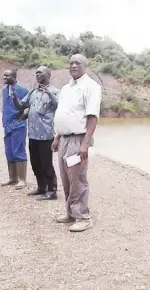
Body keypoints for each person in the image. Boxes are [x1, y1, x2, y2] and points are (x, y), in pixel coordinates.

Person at [52, 54, 102, 232]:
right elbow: (64, 114)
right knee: (66, 178)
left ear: (85, 66)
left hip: (78, 139)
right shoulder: (66, 88)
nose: (73, 65)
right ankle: (70, 213)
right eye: (71, 63)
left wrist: (85, 144)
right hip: (64, 138)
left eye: (77, 63)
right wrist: (57, 137)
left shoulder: (91, 87)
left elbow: (92, 117)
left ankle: (83, 216)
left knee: (78, 178)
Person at [12, 66, 60, 201]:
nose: (37, 74)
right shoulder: (33, 92)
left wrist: (49, 93)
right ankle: (41, 187)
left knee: (46, 164)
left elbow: (59, 106)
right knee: (35, 163)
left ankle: (52, 191)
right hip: (33, 134)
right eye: (36, 72)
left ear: (48, 74)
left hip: (46, 135)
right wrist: (14, 97)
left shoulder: (55, 91)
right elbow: (22, 106)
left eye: (40, 72)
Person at [1, 69, 29, 189]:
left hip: (18, 125)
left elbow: (30, 104)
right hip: (7, 126)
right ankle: (12, 178)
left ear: (14, 76)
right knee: (9, 152)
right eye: (4, 75)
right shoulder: (4, 90)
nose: (4, 77)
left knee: (19, 151)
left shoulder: (23, 90)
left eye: (7, 75)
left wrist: (25, 115)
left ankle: (22, 180)